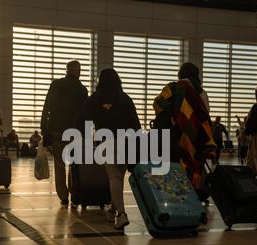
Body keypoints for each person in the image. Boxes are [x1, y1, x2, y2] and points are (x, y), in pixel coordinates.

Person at [76, 68, 141, 230]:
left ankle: (121, 214)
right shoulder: (125, 98)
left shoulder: (96, 98)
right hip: (127, 141)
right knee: (119, 176)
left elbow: (81, 119)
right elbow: (135, 124)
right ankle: (113, 209)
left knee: (113, 176)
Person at [153, 62, 217, 193]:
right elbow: (205, 115)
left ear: (180, 74)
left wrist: (173, 117)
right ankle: (193, 198)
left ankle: (176, 197)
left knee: (176, 168)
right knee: (194, 169)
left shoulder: (173, 87)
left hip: (177, 135)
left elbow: (158, 103)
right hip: (198, 137)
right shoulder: (202, 92)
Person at [40, 60, 88, 208]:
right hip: (75, 132)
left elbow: (46, 107)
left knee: (59, 165)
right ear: (78, 71)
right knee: (73, 165)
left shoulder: (56, 85)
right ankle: (74, 194)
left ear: (67, 70)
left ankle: (63, 196)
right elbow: (85, 114)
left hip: (56, 131)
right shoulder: (82, 90)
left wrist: (44, 130)